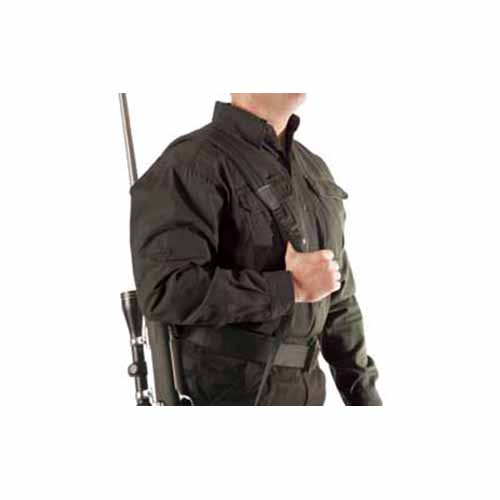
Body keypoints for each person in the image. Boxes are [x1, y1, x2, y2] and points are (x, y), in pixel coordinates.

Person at [130, 93, 382, 405]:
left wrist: (366, 400)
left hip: (308, 397)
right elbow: (166, 289)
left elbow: (339, 303)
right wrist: (290, 287)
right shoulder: (190, 163)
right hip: (225, 399)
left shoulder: (314, 171)